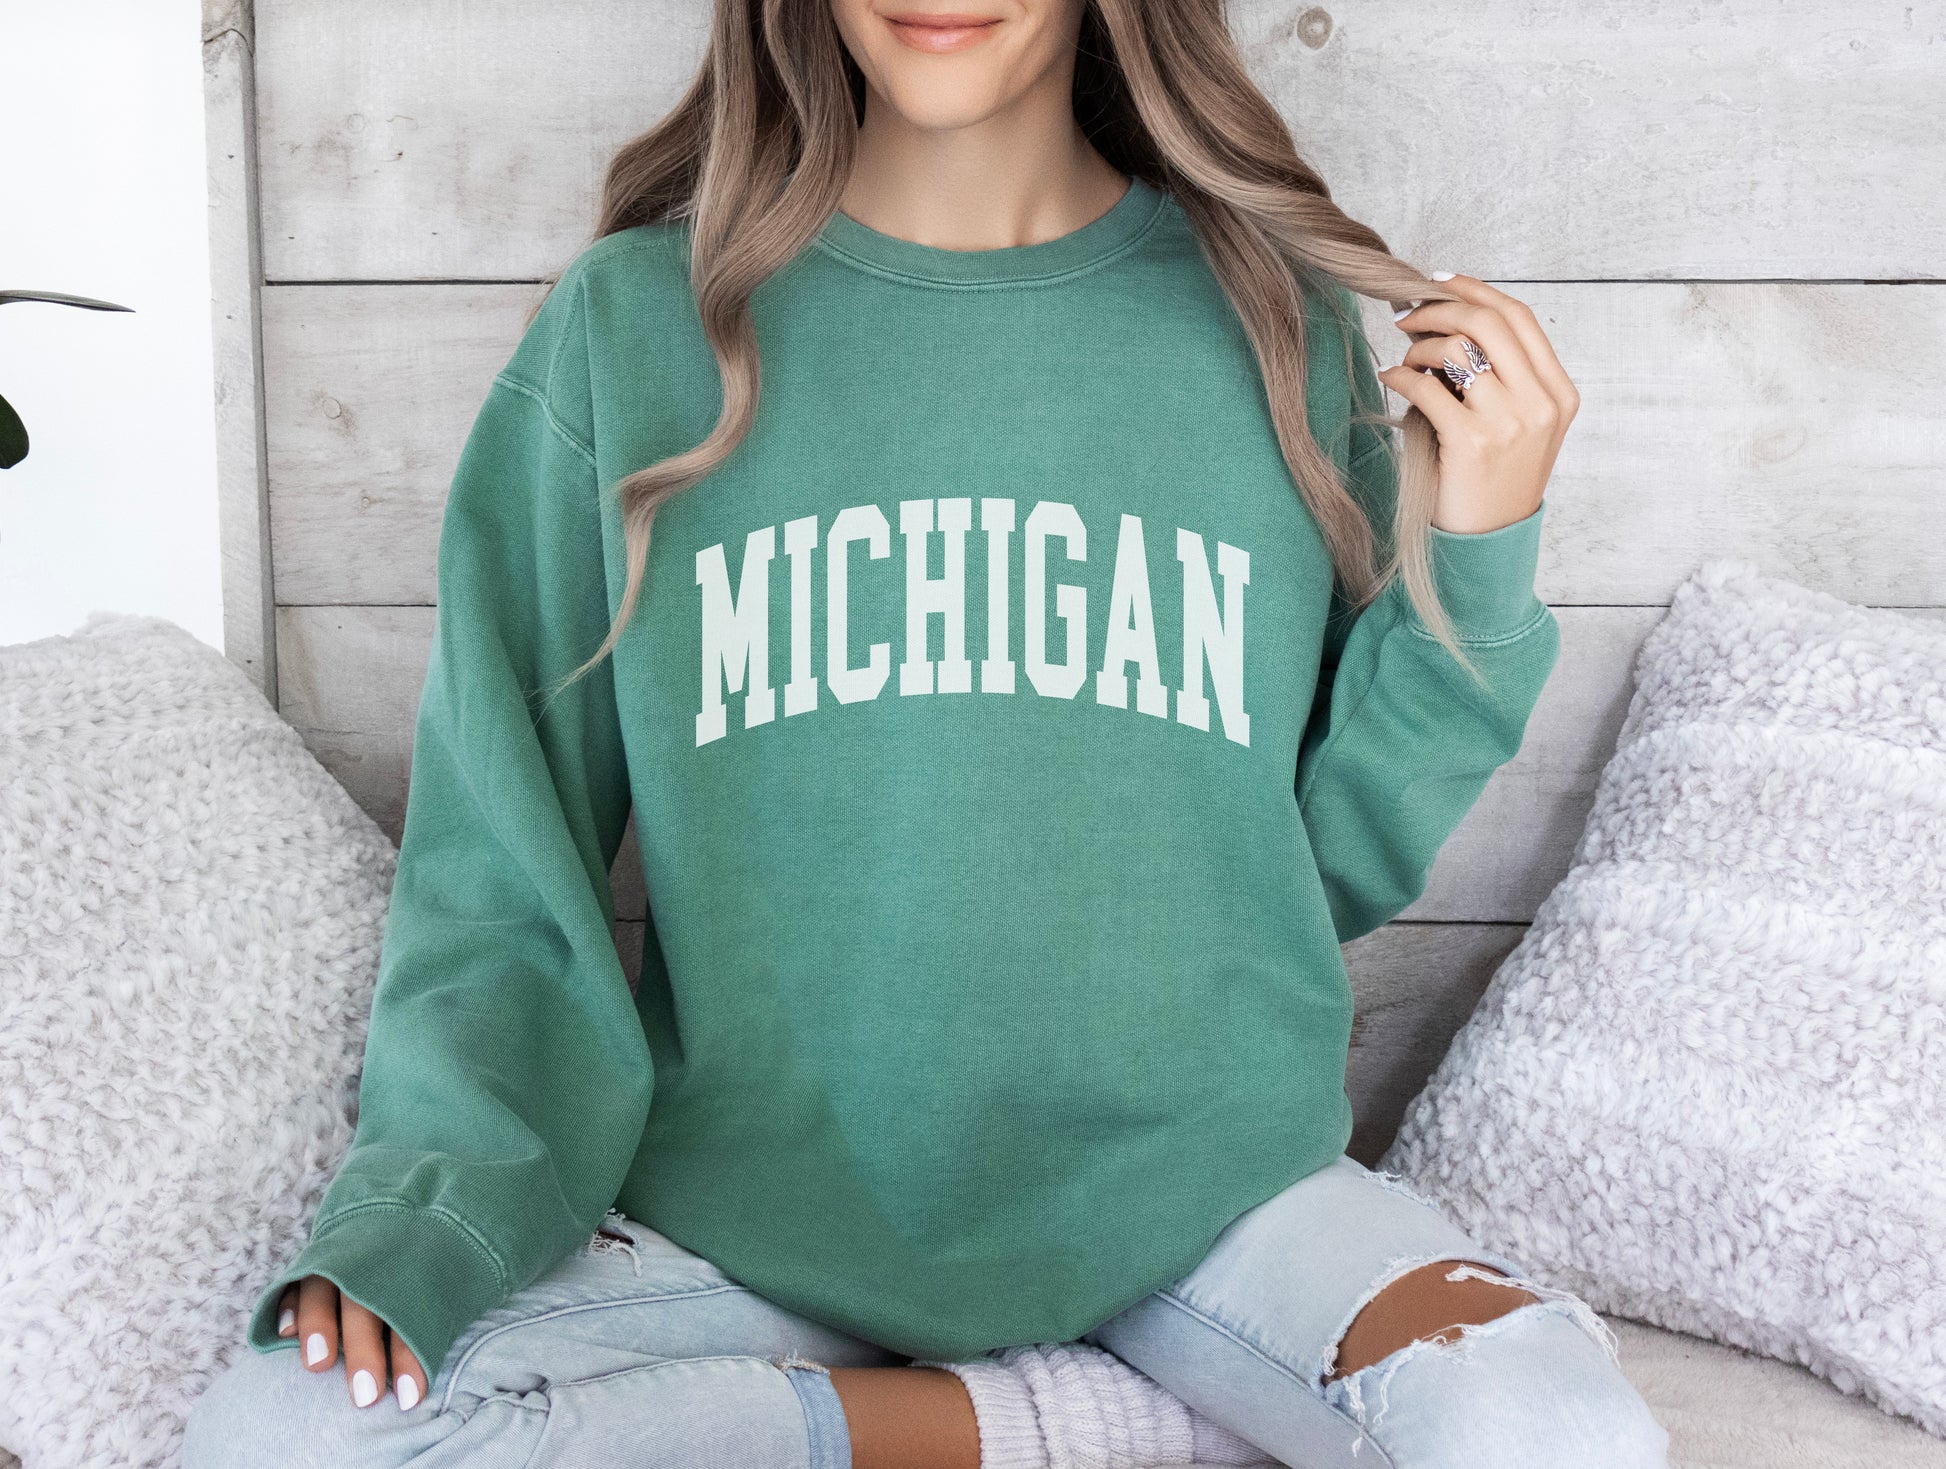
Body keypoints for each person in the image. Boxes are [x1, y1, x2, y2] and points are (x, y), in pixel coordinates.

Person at [184, 2, 1669, 1466]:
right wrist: (422, 1209)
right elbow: (504, 858)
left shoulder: (1271, 322)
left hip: (1209, 1204)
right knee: (286, 1431)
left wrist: (1475, 543)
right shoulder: (631, 327)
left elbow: (1313, 865)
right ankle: (1055, 1420)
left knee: (1553, 1429)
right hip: (748, 1220)